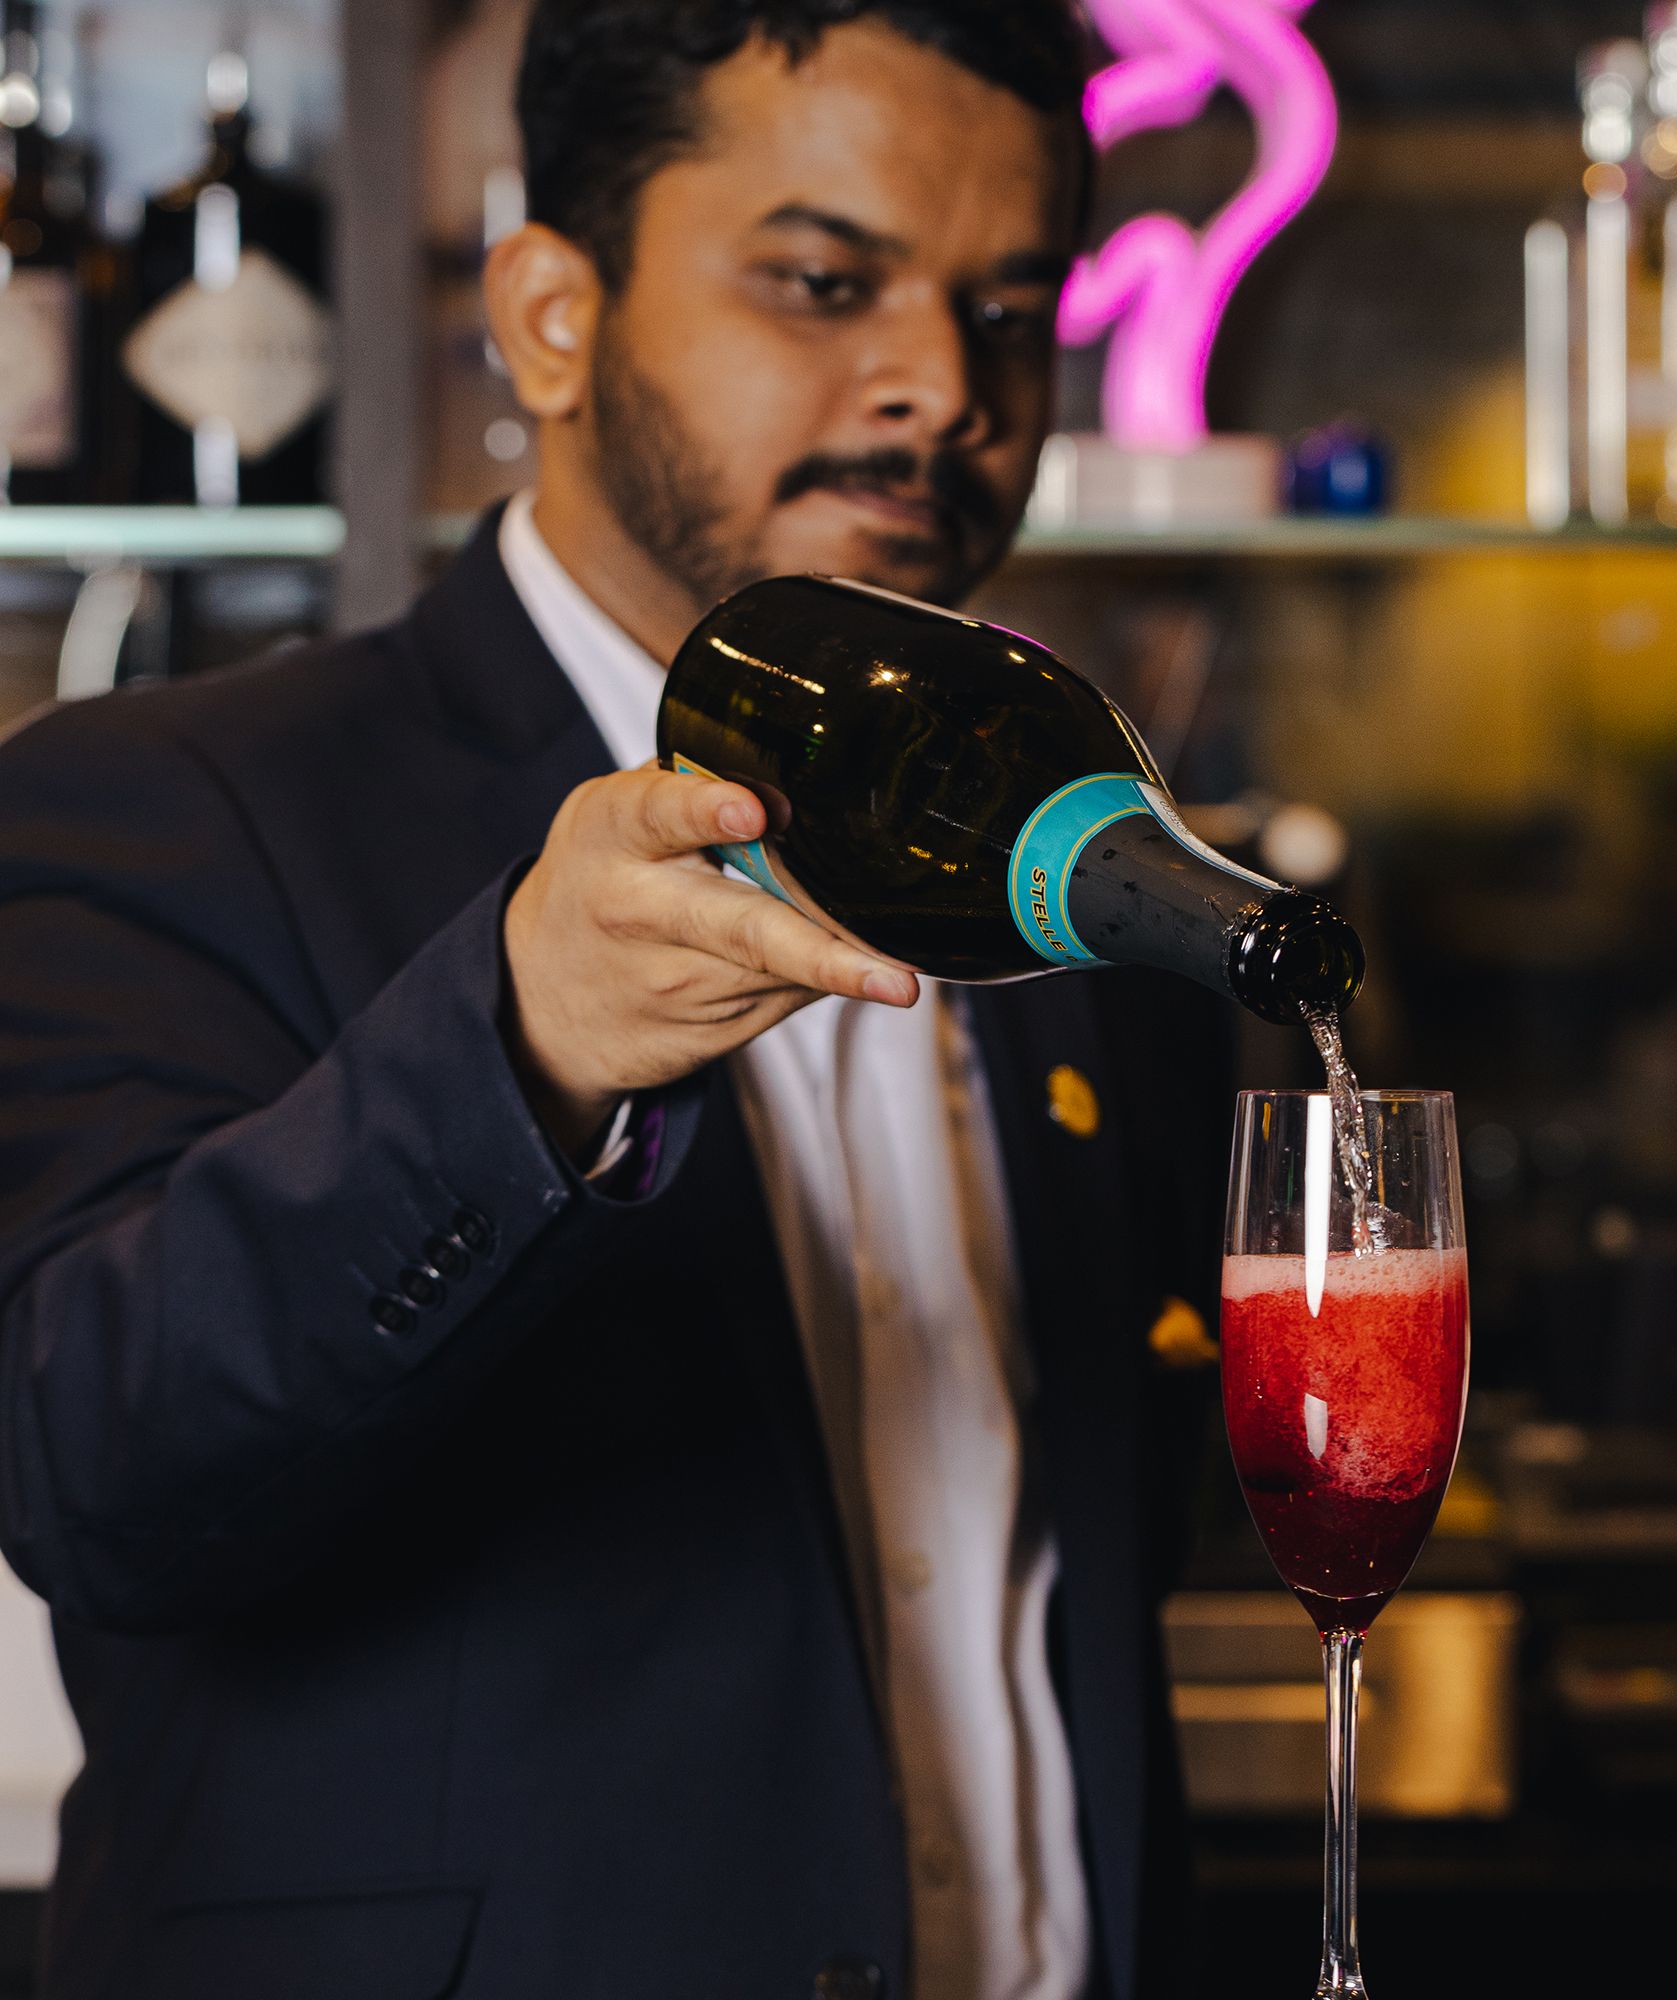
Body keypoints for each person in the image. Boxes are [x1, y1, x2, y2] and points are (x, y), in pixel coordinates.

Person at [0, 5, 1235, 1998]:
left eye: (1011, 307)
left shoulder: (1074, 867)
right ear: (550, 314)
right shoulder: (156, 806)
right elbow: (94, 1468)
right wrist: (523, 1043)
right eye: (824, 282)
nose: (943, 385)